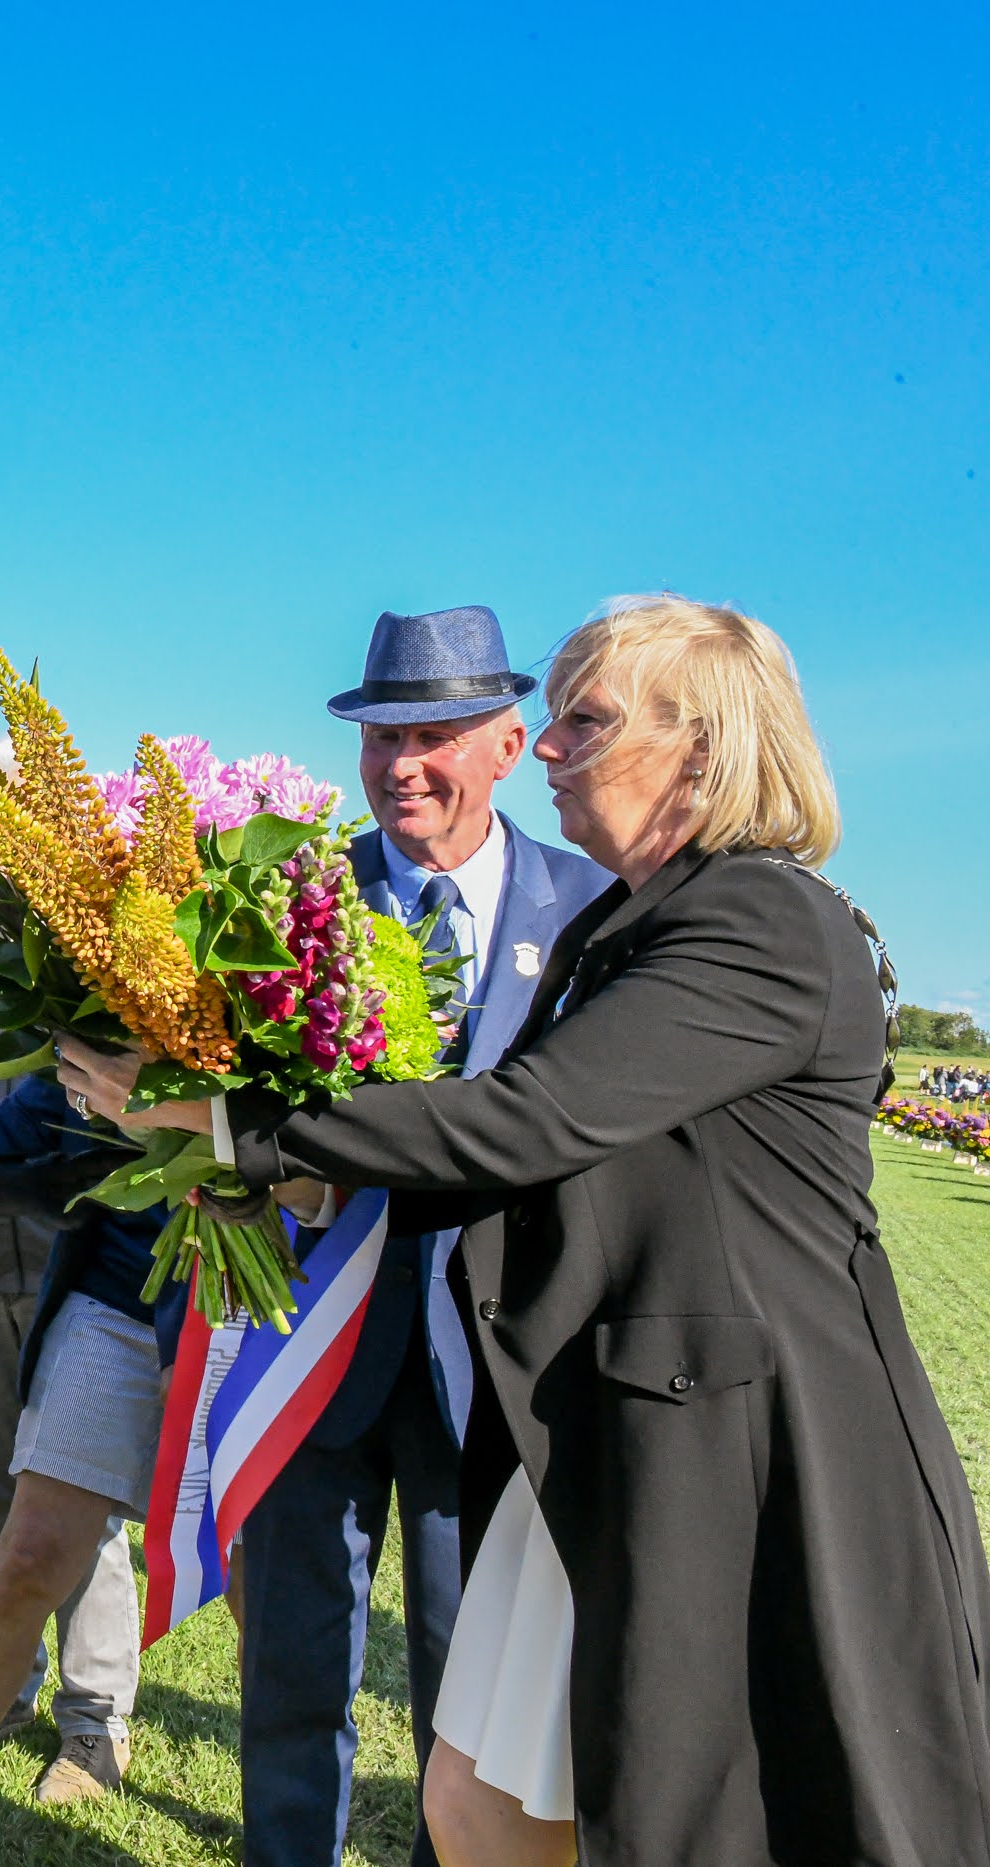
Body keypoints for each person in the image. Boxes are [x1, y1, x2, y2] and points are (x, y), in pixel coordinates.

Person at [58, 596, 990, 1866]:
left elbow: (527, 1122)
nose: (544, 747)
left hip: (734, 1455)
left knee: (686, 1818)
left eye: (584, 721)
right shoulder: (636, 920)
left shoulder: (759, 917)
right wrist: (251, 1168)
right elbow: (529, 1165)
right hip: (607, 1432)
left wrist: (235, 1130)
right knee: (475, 1802)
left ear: (702, 747)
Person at [233, 608, 607, 1867]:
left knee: (474, 1701)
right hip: (314, 1350)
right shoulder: (289, 900)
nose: (402, 763)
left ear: (507, 745)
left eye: (435, 734)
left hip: (495, 1365)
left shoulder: (593, 909)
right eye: (381, 734)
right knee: (289, 1674)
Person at [0, 1009, 144, 1806]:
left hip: (72, 1259)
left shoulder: (85, 957)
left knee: (84, 1498)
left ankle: (95, 1715)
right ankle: (3, 1690)